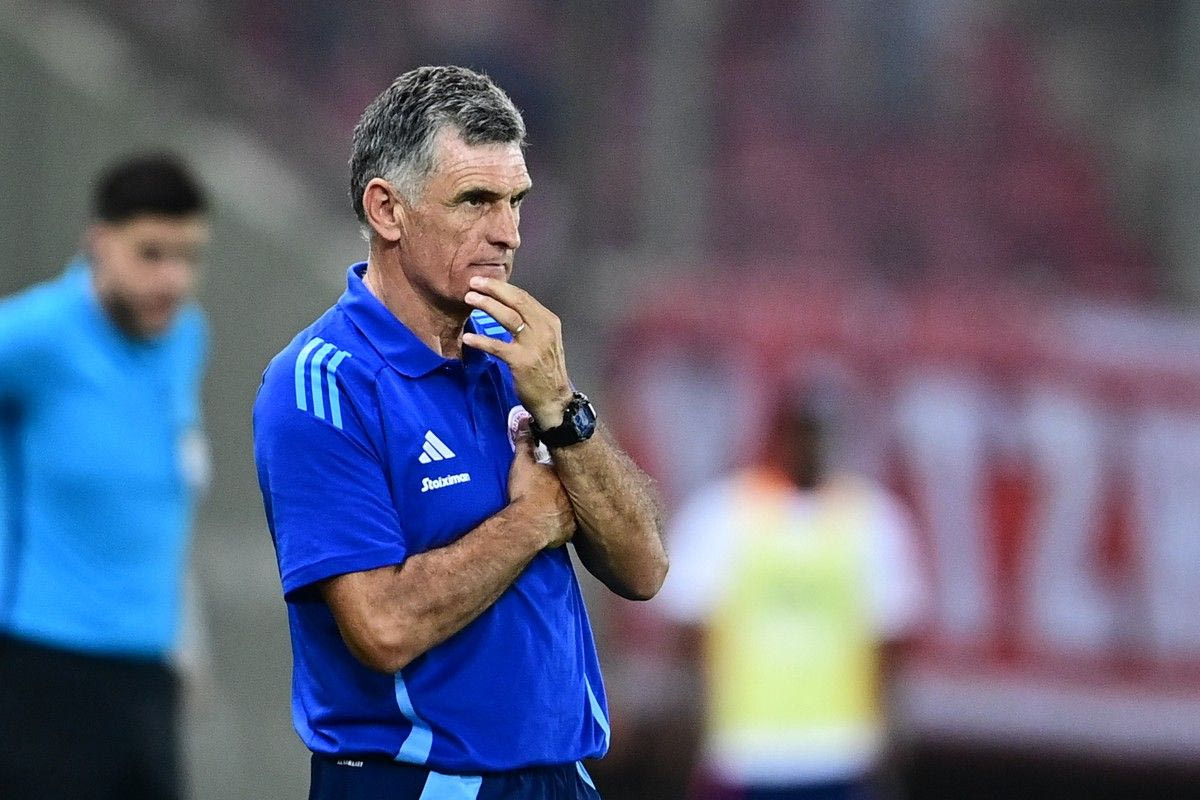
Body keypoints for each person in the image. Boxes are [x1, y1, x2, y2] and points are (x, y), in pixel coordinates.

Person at [252, 65, 668, 800]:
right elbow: (380, 627)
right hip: (424, 783)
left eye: (516, 201)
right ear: (387, 209)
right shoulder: (323, 382)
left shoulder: (516, 357)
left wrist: (563, 406)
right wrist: (533, 520)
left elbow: (644, 570)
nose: (507, 233)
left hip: (561, 778)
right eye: (475, 200)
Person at [0, 154, 211, 799]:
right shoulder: (35, 337)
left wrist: (186, 642)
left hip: (149, 676)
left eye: (188, 256)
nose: (173, 278)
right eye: (151, 254)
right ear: (98, 243)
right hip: (44, 670)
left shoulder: (185, 338)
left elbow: (162, 497)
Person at [654, 388, 926, 800]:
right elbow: (689, 640)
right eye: (802, 431)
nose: (812, 446)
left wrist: (891, 734)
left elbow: (890, 644)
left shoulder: (873, 520)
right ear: (777, 434)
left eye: (821, 433)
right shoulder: (724, 514)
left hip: (841, 752)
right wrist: (685, 729)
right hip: (743, 753)